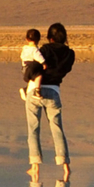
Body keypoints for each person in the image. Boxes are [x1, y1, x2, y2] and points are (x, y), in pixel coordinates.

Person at [23, 22, 76, 173]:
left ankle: (35, 165)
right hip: (54, 92)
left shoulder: (44, 50)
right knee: (57, 128)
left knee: (33, 128)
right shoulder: (69, 54)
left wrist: (27, 77)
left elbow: (34, 67)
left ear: (50, 37)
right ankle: (65, 164)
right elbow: (65, 70)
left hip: (35, 90)